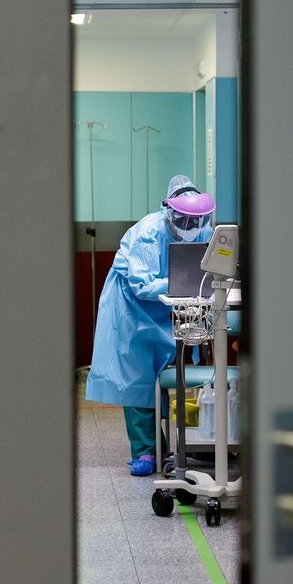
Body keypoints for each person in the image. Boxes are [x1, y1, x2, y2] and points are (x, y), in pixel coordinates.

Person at [86, 175, 215, 475]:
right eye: (184, 220)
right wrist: (182, 282)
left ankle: (175, 446)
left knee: (170, 374)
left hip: (171, 307)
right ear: (170, 213)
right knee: (138, 377)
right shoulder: (148, 233)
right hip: (132, 309)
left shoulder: (203, 229)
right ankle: (145, 451)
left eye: (197, 220)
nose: (191, 227)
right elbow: (142, 285)